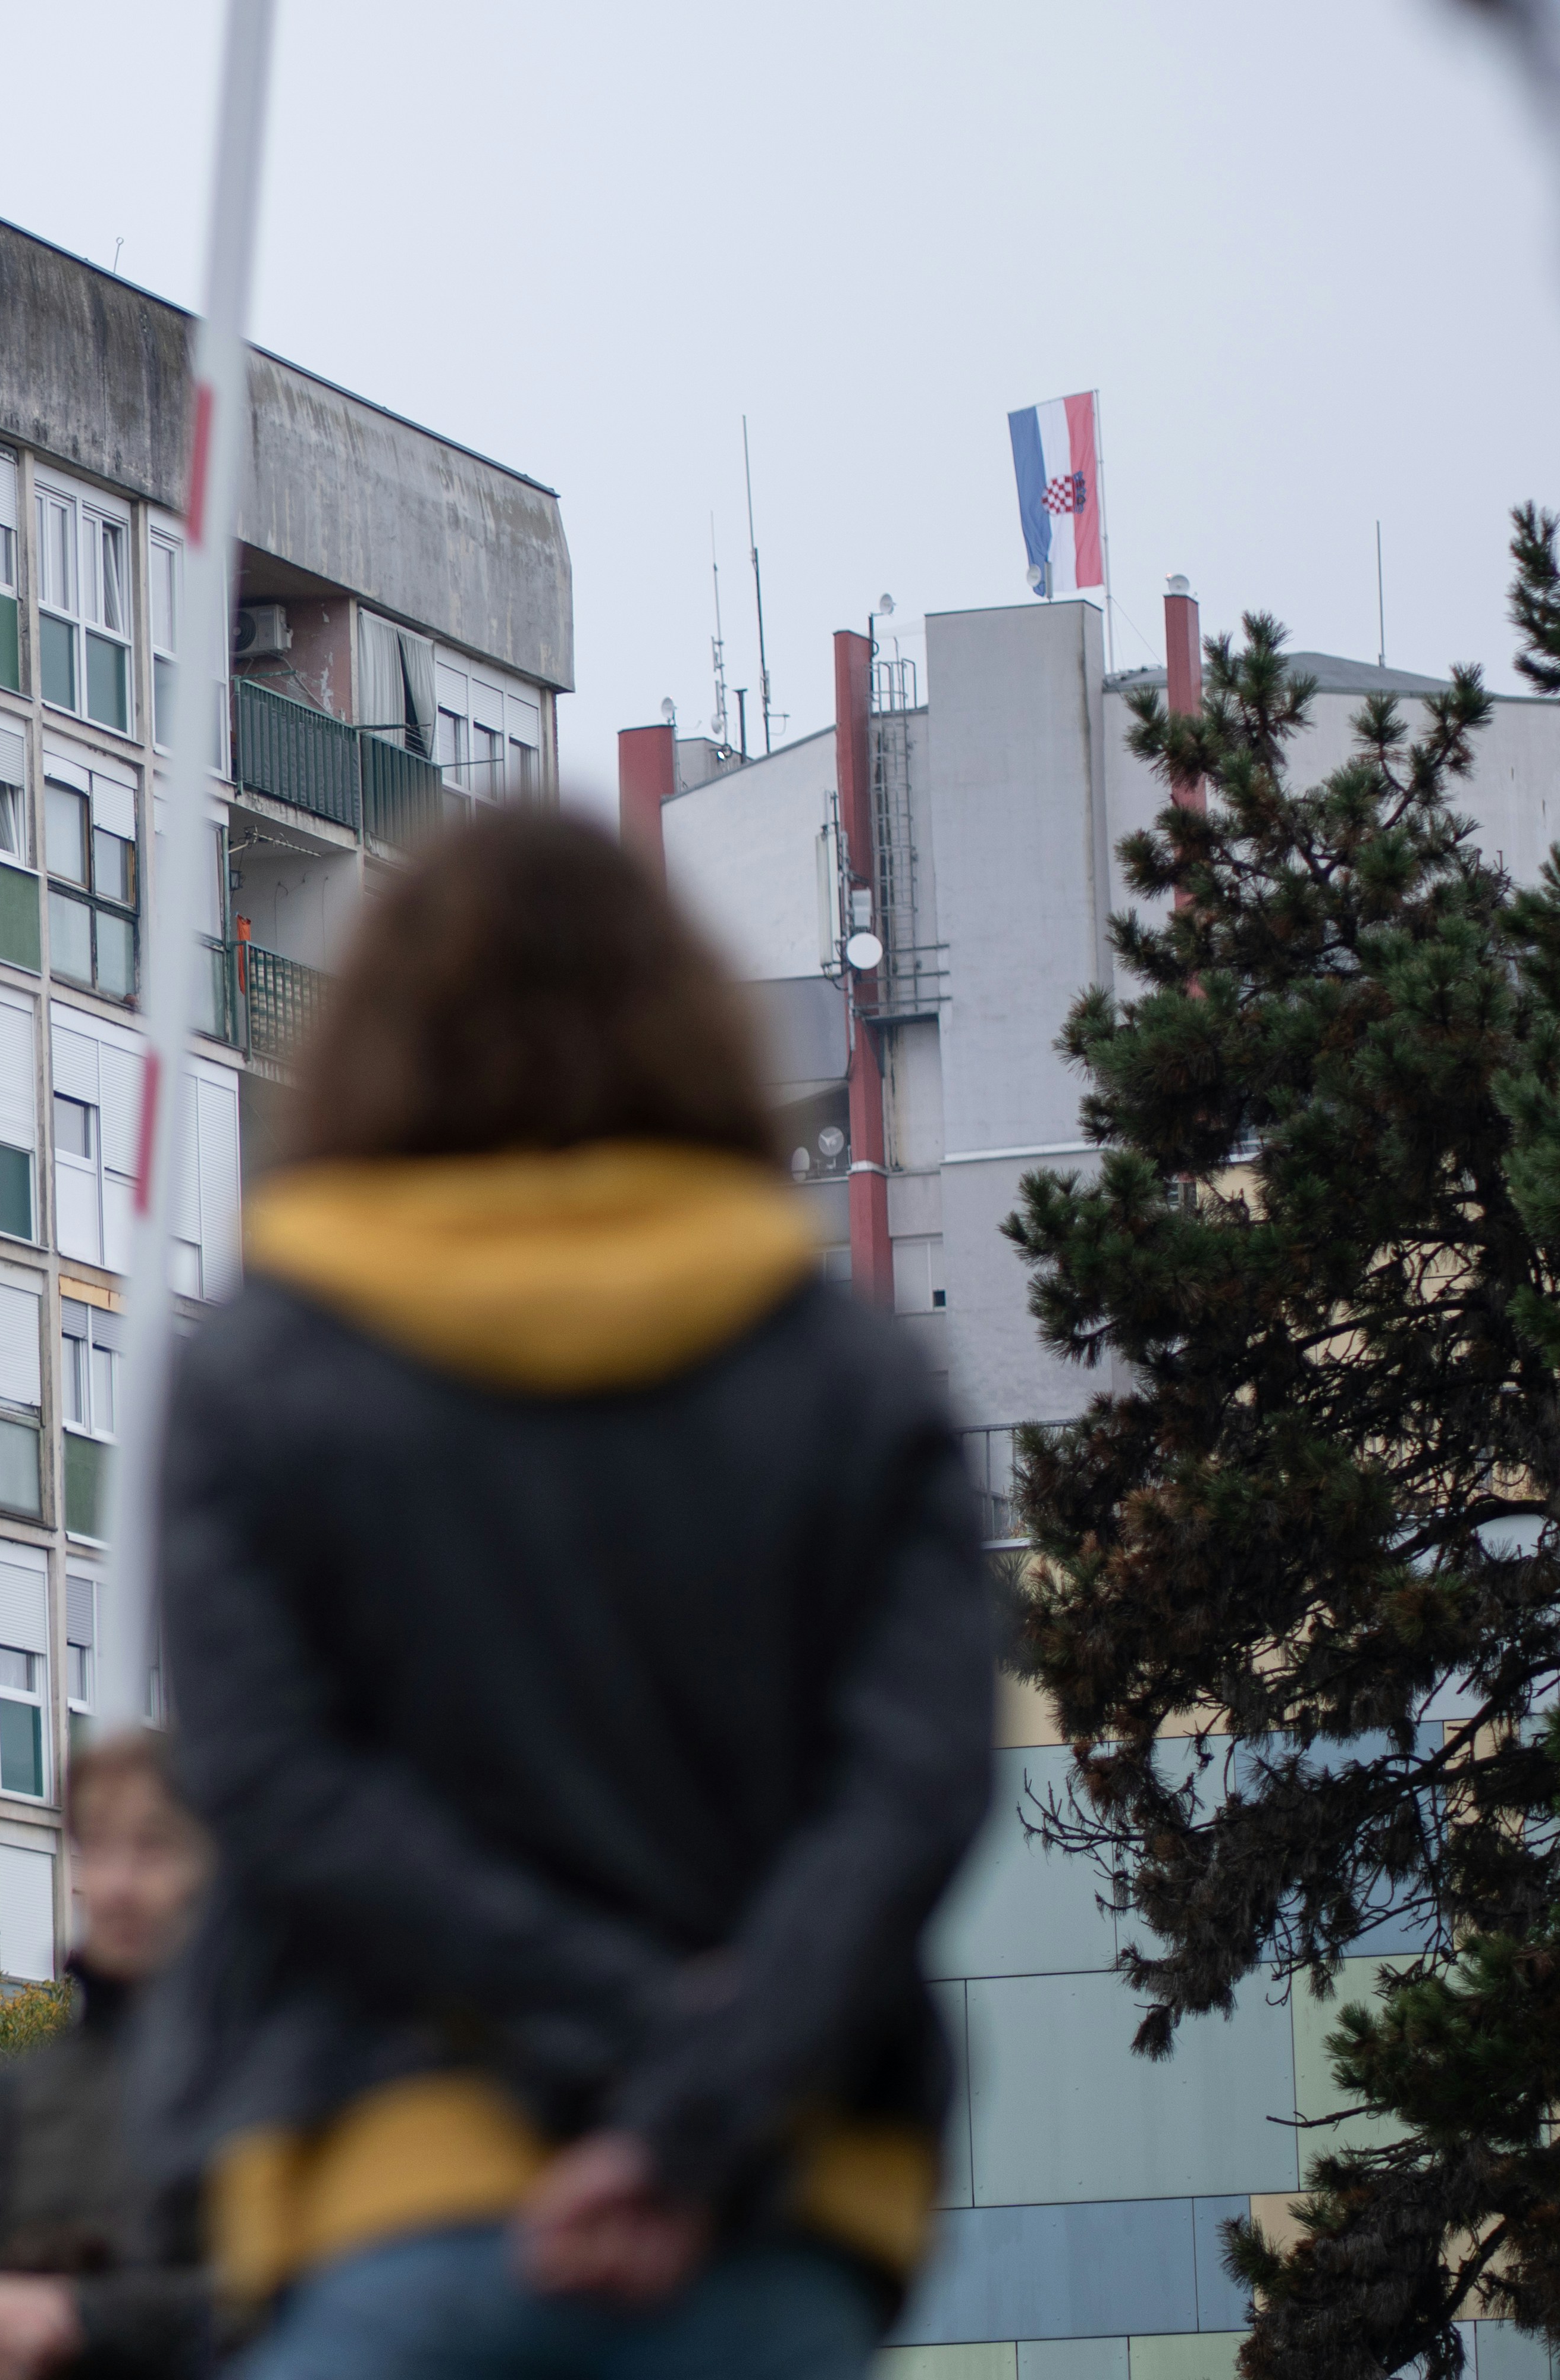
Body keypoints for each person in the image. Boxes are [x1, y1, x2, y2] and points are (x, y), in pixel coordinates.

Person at [145, 810, 995, 2380]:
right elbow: (916, 1791)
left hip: (388, 2188)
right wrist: (697, 2097)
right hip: (768, 2212)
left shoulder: (262, 1373)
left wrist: (620, 2028)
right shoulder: (851, 1380)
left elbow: (275, 1788)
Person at [0, 1733, 215, 2380]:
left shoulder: (273, 2083)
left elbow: (303, 2302)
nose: (117, 1885)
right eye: (97, 1846)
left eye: (153, 1846)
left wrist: (83, 2316)